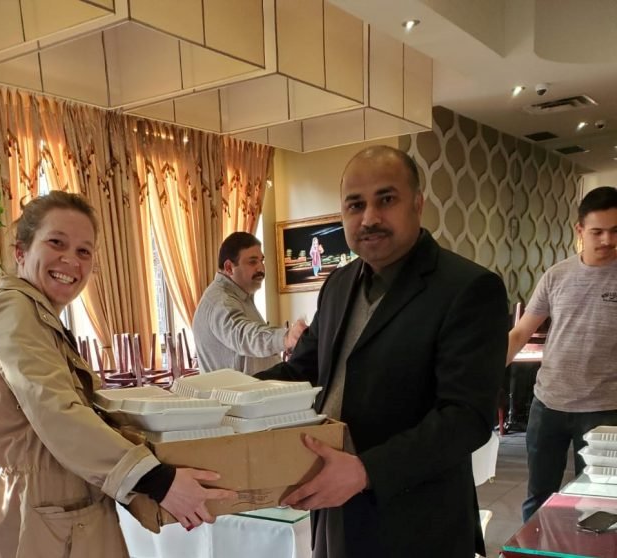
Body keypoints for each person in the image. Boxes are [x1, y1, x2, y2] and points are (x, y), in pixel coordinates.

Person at [257, 146, 508, 558]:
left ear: (417, 204)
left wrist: (365, 471)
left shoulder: (468, 288)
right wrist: (223, 395)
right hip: (335, 508)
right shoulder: (338, 285)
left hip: (419, 519)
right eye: (355, 205)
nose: (369, 217)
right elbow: (302, 372)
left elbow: (466, 418)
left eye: (385, 200)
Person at [0, 192, 235, 558]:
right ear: (21, 251)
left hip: (55, 511)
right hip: (43, 520)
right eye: (57, 243)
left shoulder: (34, 314)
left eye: (84, 251)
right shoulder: (12, 310)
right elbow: (55, 410)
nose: (71, 260)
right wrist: (158, 479)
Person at [507, 185, 617, 522]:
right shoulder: (556, 276)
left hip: (605, 409)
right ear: (580, 230)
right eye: (597, 231)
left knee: (600, 498)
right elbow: (521, 332)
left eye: (615, 231)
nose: (606, 241)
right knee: (540, 494)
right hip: (549, 405)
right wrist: (479, 380)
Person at [192, 232, 307, 375]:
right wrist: (286, 338)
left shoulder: (240, 296)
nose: (261, 268)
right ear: (229, 267)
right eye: (252, 262)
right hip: (233, 397)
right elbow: (243, 336)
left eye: (261, 261)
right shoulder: (221, 301)